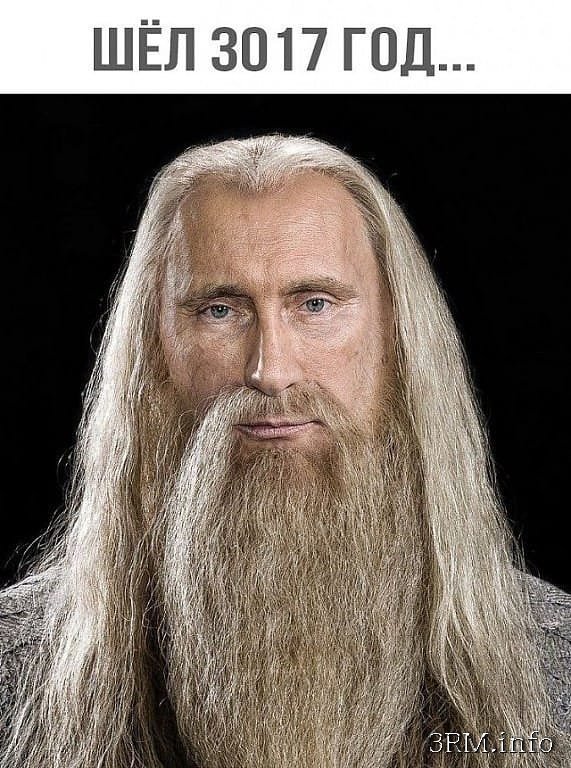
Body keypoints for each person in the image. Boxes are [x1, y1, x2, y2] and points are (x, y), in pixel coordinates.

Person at [0, 134, 569, 768]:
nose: (270, 370)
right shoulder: (14, 669)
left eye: (315, 304)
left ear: (398, 338)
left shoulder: (553, 666)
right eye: (220, 310)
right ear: (153, 352)